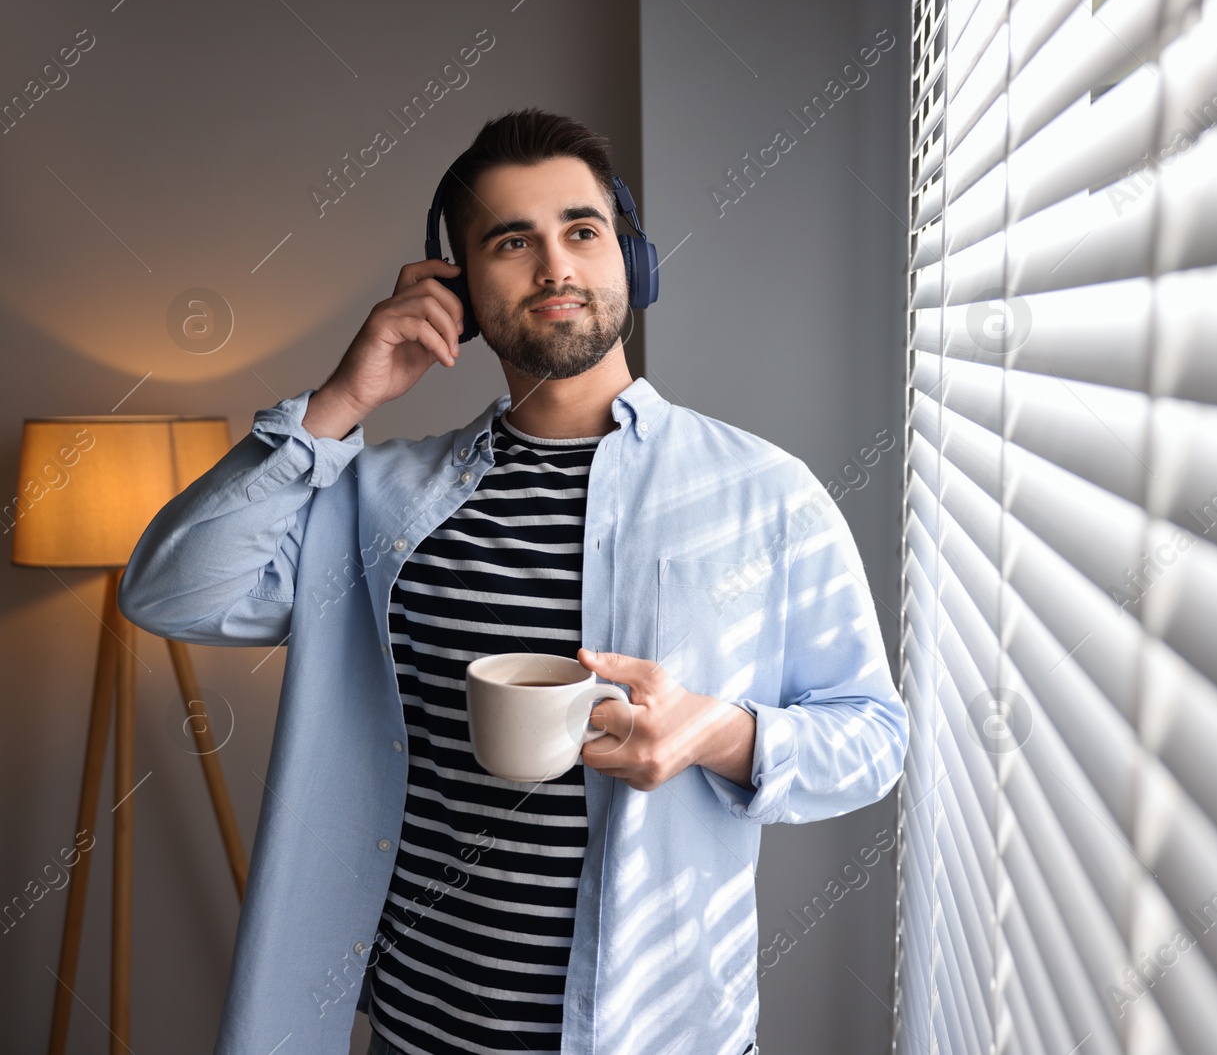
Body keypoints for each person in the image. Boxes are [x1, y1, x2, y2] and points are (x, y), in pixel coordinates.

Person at [118, 108, 907, 1055]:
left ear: (631, 259)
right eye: (511, 241)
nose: (556, 268)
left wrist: (721, 732)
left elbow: (873, 736)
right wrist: (340, 402)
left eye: (582, 231)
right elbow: (171, 591)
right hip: (421, 1030)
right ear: (454, 286)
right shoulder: (375, 498)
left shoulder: (764, 492)